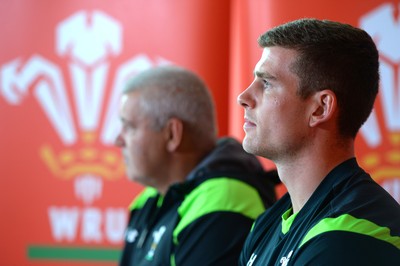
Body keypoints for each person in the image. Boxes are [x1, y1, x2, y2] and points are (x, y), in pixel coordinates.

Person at [237, 18, 400, 265]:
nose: (244, 97)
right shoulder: (267, 225)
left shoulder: (351, 236)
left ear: (320, 108)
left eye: (267, 83)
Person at [115, 65, 279, 265]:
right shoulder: (150, 198)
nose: (118, 140)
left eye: (129, 127)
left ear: (172, 134)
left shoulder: (224, 200)